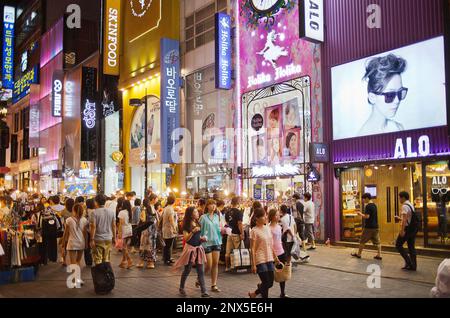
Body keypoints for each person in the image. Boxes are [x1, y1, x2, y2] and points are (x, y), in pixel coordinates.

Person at [359, 54, 408, 136]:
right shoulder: (363, 137)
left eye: (400, 93)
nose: (397, 101)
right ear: (372, 98)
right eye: (390, 95)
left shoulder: (398, 128)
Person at [174, 206, 209, 298]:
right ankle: (181, 288)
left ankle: (204, 292)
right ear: (190, 214)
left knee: (200, 270)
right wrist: (193, 232)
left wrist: (202, 239)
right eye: (195, 212)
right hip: (190, 249)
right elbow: (186, 238)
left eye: (197, 212)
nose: (197, 213)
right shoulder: (186, 224)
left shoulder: (197, 222)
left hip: (198, 248)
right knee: (187, 269)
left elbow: (197, 237)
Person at [248, 208, 279, 299]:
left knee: (270, 283)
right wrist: (253, 265)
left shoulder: (267, 228)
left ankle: (254, 293)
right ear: (257, 218)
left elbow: (270, 244)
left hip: (269, 258)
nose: (266, 217)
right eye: (263, 216)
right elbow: (252, 249)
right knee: (266, 282)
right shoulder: (254, 231)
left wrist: (275, 257)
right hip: (260, 259)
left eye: (265, 215)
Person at [62, 203, 88, 286]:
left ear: (73, 210)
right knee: (78, 262)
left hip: (72, 243)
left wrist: (63, 242)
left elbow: (66, 233)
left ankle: (77, 279)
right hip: (81, 243)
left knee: (73, 263)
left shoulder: (69, 220)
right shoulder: (84, 220)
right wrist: (86, 243)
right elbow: (85, 234)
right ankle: (77, 279)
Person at [200, 199, 222, 293]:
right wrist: (200, 238)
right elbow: (199, 230)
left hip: (216, 241)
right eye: (211, 204)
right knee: (209, 265)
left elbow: (220, 228)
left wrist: (223, 230)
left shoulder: (218, 217)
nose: (213, 206)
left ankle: (214, 284)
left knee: (215, 264)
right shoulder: (203, 217)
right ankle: (199, 278)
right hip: (206, 242)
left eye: (215, 204)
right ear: (207, 206)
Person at [351, 193, 382, 260]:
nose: (363, 200)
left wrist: (360, 214)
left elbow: (367, 216)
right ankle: (379, 255)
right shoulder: (374, 205)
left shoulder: (368, 206)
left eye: (364, 199)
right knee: (377, 242)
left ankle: (359, 254)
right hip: (375, 227)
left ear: (367, 198)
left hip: (369, 227)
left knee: (362, 241)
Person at [90, 194, 116, 266]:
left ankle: (100, 276)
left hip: (98, 239)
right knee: (106, 260)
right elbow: (113, 226)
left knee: (98, 260)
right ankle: (106, 276)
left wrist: (91, 239)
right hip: (108, 238)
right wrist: (114, 237)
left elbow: (93, 226)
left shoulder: (94, 213)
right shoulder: (111, 212)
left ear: (96, 202)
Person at [269, 208, 289, 298]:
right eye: (277, 215)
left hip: (281, 252)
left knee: (282, 274)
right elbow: (269, 243)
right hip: (272, 254)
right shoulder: (268, 228)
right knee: (269, 277)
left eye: (278, 214)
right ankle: (261, 288)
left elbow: (279, 240)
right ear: (272, 217)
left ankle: (282, 293)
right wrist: (274, 255)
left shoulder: (279, 227)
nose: (278, 216)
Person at [395, 191, 418, 271]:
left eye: (399, 197)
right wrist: (400, 218)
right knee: (411, 246)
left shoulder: (404, 206)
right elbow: (409, 218)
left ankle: (409, 262)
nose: (399, 199)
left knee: (398, 244)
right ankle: (413, 265)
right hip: (413, 228)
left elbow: (404, 219)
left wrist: (402, 230)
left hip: (407, 229)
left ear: (403, 197)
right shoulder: (410, 204)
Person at [138, 195, 159, 269]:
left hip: (150, 229)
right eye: (156, 199)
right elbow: (143, 219)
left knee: (146, 244)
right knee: (148, 244)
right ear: (153, 199)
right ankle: (147, 262)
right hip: (148, 228)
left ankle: (145, 261)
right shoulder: (146, 208)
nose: (157, 200)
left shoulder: (152, 207)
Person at [225, 196, 244, 271]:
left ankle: (227, 267)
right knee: (237, 251)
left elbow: (226, 222)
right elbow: (239, 223)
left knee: (228, 251)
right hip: (236, 233)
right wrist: (242, 233)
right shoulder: (239, 212)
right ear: (238, 202)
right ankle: (236, 267)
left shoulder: (228, 211)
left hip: (230, 233)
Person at [162, 195, 178, 266]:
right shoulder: (170, 209)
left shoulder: (167, 208)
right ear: (174, 201)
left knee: (168, 245)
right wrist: (174, 229)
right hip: (169, 229)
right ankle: (167, 260)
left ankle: (168, 258)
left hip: (166, 228)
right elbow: (171, 219)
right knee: (168, 245)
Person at [118, 200, 134, 269]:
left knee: (124, 247)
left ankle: (129, 260)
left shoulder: (122, 212)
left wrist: (119, 232)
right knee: (126, 246)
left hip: (124, 229)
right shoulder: (129, 212)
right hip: (129, 229)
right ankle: (123, 262)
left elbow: (121, 223)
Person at [84, 198, 96, 267]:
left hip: (87, 231)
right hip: (95, 231)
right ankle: (96, 260)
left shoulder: (86, 211)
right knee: (95, 246)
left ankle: (88, 261)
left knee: (87, 246)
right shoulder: (96, 211)